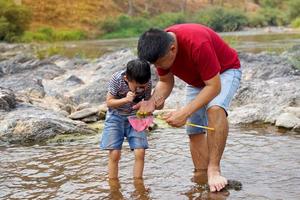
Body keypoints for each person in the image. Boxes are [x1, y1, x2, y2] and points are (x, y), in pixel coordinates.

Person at [135, 24, 242, 192]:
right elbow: (165, 82)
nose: (160, 67)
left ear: (172, 49)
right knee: (194, 129)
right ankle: (202, 176)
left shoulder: (197, 43)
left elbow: (214, 87)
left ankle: (214, 169)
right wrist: (151, 102)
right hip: (197, 80)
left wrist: (184, 112)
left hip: (224, 73)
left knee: (215, 109)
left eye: (160, 63)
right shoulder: (160, 47)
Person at [100, 59, 152, 179]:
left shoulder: (146, 81)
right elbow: (109, 102)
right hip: (115, 116)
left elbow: (147, 102)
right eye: (138, 87)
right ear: (127, 79)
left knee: (140, 151)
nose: (141, 89)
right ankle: (113, 186)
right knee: (114, 153)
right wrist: (125, 100)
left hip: (135, 116)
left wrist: (146, 118)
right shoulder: (117, 79)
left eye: (144, 86)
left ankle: (138, 185)